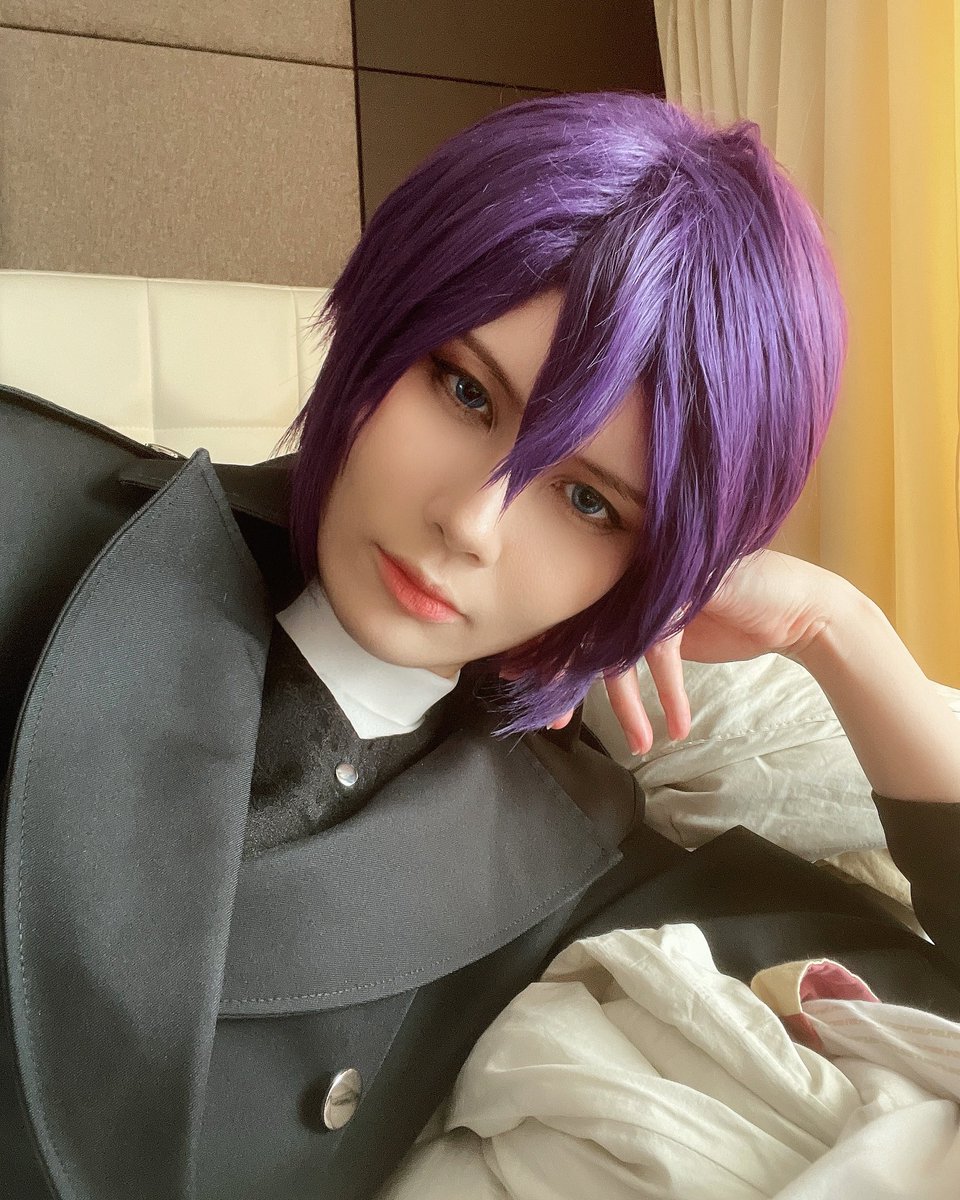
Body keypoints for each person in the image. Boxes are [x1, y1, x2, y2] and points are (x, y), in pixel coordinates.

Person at [0, 92, 957, 1200]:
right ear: (388, 320)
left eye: (589, 504)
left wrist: (841, 631)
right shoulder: (36, 510)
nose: (471, 522)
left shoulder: (564, 857)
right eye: (464, 392)